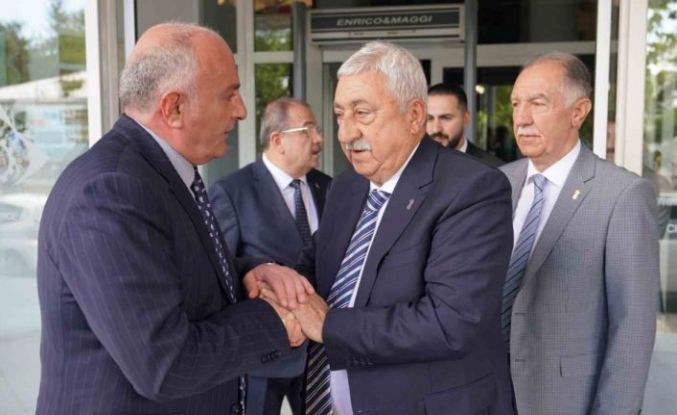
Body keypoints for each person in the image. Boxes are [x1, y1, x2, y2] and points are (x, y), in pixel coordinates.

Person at [36, 23, 311, 415]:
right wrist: (278, 320)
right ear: (174, 108)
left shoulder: (154, 175)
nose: (241, 110)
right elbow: (165, 365)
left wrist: (250, 272)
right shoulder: (110, 191)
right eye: (229, 95)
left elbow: (172, 268)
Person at [275, 41, 515, 415]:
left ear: (415, 115)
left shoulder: (472, 188)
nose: (345, 133)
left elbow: (449, 322)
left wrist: (329, 325)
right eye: (339, 115)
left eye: (362, 113)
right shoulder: (347, 186)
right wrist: (277, 287)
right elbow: (316, 267)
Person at [500, 51, 658, 415]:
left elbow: (632, 328)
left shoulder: (622, 195)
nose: (521, 118)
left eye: (538, 103)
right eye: (516, 104)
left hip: (564, 400)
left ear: (579, 112)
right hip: (486, 394)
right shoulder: (497, 184)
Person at [209, 97, 332, 415]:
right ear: (278, 140)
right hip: (262, 356)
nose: (318, 139)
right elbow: (220, 272)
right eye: (307, 130)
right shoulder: (232, 192)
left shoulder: (330, 188)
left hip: (320, 354)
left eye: (317, 130)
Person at [426, 82, 504, 167]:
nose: (436, 129)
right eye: (429, 118)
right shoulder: (415, 163)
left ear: (466, 118)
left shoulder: (492, 168)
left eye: (446, 118)